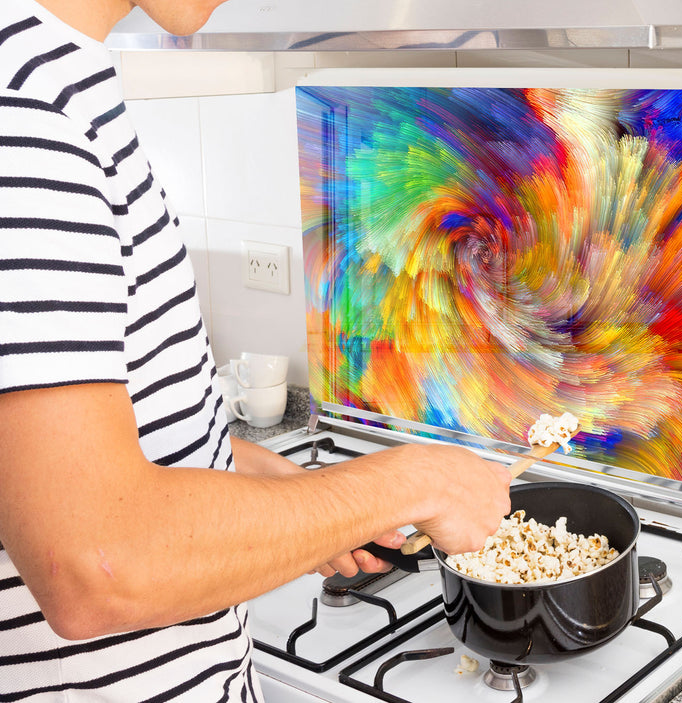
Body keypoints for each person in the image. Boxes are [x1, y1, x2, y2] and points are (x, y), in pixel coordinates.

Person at [0, 0, 513, 699]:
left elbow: (66, 456)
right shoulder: (24, 117)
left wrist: (285, 493)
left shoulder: (55, 79)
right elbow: (96, 563)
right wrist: (417, 480)